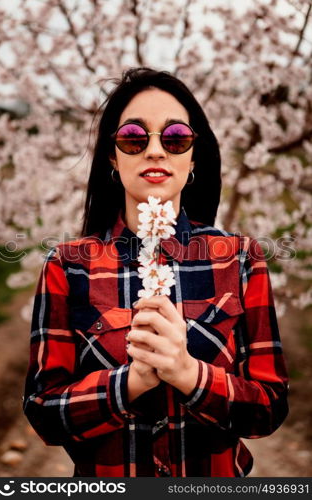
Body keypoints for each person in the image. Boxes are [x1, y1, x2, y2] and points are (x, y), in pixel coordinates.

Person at [23, 67, 289, 477]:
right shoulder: (67, 265)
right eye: (133, 137)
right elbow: (43, 411)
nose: (155, 150)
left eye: (175, 137)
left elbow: (268, 407)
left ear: (193, 154)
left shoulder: (240, 259)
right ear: (112, 155)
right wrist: (129, 384)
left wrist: (188, 374)